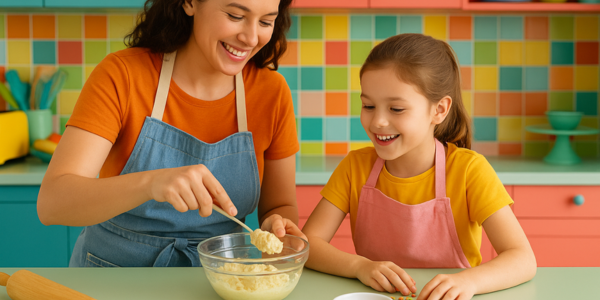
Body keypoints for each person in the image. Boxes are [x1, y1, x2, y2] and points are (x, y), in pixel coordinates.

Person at [37, 0, 306, 268]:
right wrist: (151, 183)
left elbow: (279, 206)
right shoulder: (123, 75)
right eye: (235, 16)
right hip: (110, 276)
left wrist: (277, 224)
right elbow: (52, 203)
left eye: (265, 22)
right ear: (189, 3)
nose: (250, 38)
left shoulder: (272, 93)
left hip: (215, 281)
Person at [302, 34, 536, 300]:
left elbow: (523, 259)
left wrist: (469, 282)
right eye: (368, 105)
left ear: (439, 110)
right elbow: (308, 244)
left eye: (396, 109)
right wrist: (360, 266)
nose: (377, 121)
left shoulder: (469, 170)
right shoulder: (354, 167)